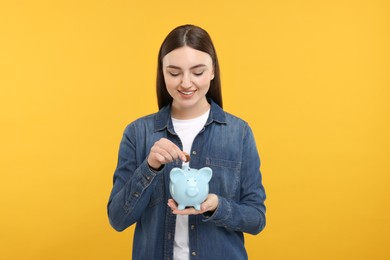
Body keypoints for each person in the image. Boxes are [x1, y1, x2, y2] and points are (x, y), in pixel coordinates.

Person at [107, 24, 266, 260]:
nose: (186, 82)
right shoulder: (138, 133)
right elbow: (118, 219)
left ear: (213, 71)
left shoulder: (239, 133)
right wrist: (149, 168)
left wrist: (217, 206)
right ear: (162, 72)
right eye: (174, 73)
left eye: (198, 72)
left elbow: (256, 219)